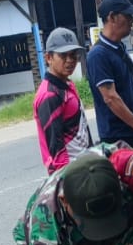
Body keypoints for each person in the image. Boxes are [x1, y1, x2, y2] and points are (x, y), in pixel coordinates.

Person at [86, 0, 133, 151]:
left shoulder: (119, 48)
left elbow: (130, 91)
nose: (132, 20)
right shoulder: (98, 55)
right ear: (112, 17)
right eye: (127, 16)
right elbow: (110, 98)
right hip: (118, 139)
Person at [34, 27, 95, 175]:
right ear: (49, 58)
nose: (70, 60)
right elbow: (55, 146)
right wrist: (67, 179)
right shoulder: (50, 95)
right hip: (72, 173)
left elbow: (82, 127)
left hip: (85, 165)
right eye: (63, 55)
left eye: (73, 55)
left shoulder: (67, 84)